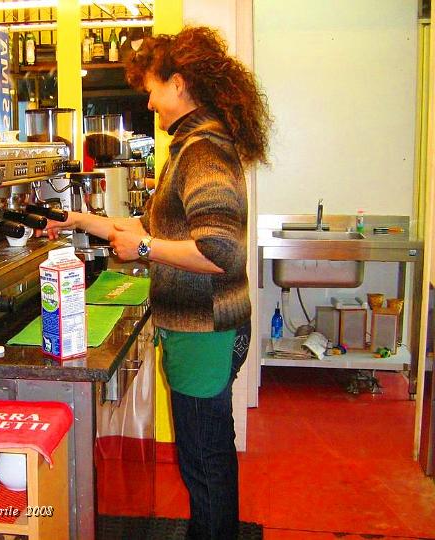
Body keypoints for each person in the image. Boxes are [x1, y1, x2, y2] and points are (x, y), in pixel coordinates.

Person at [42, 26, 271, 539]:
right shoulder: (191, 144)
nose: (147, 99)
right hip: (199, 328)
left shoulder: (203, 151)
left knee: (203, 459)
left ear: (180, 83)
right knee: (204, 453)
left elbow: (217, 251)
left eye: (152, 87)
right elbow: (167, 231)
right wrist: (85, 223)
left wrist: (143, 249)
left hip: (204, 329)